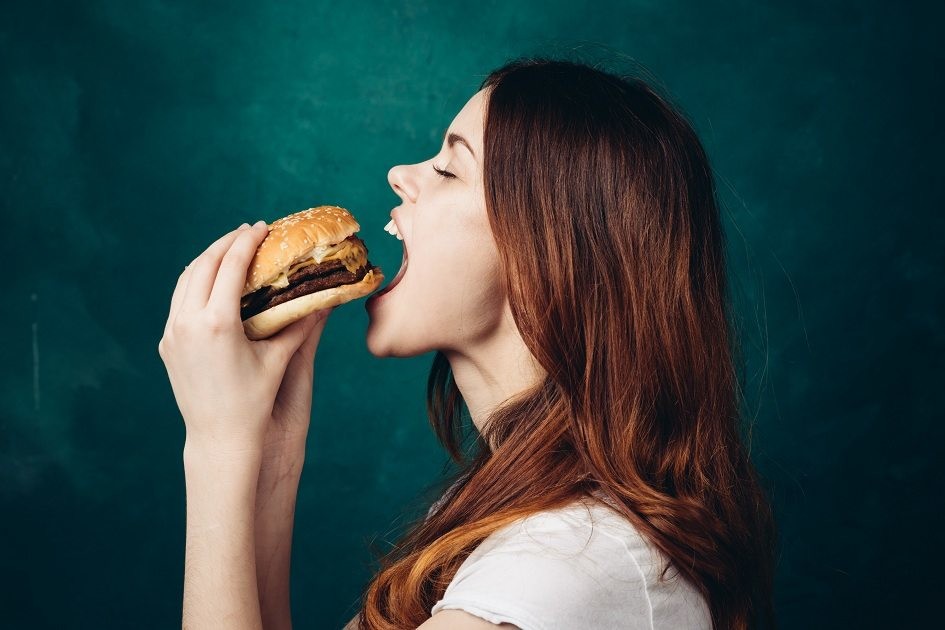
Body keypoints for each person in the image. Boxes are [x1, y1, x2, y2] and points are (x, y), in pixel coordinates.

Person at [159, 57, 778, 630]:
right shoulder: (508, 522)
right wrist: (270, 456)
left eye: (449, 168)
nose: (400, 175)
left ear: (548, 251)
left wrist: (216, 447)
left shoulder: (570, 564)